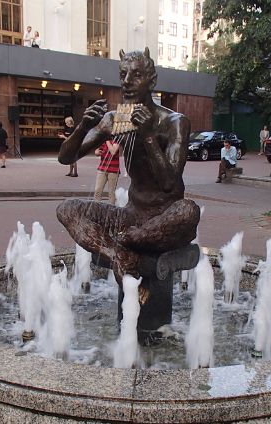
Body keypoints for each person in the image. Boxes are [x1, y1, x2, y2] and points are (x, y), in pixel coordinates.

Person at [57, 48, 200, 283]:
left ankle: (123, 242)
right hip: (132, 217)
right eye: (123, 75)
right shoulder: (118, 119)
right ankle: (116, 252)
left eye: (135, 76)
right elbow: (65, 158)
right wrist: (83, 126)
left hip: (166, 217)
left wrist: (148, 136)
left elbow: (169, 183)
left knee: (188, 211)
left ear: (151, 80)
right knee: (67, 209)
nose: (127, 82)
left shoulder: (174, 122)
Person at [94, 139, 120, 205]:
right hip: (102, 168)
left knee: (111, 193)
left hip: (113, 170)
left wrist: (107, 141)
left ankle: (112, 211)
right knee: (97, 191)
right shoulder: (102, 141)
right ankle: (97, 210)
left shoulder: (117, 140)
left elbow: (113, 152)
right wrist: (97, 152)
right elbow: (97, 151)